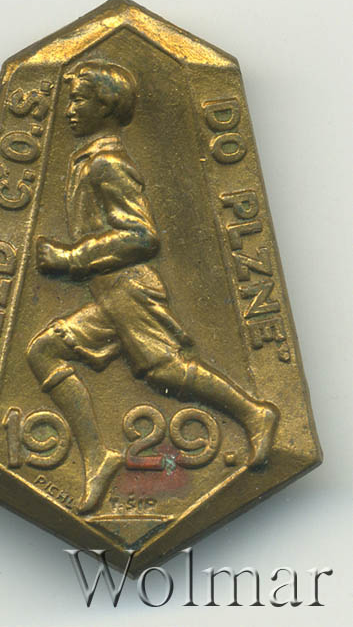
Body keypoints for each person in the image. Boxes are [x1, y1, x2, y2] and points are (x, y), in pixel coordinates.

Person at [26, 59, 279, 514]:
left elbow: (143, 236)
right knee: (44, 351)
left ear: (105, 106)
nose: (69, 109)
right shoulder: (87, 160)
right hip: (109, 295)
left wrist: (71, 257)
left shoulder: (108, 164)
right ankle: (98, 457)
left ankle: (253, 413)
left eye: (79, 99)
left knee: (167, 371)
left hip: (129, 292)